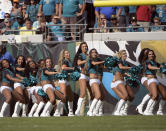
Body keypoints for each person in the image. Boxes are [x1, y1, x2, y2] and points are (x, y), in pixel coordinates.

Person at [111, 50, 134, 116]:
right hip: (116, 82)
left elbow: (122, 72)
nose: (125, 55)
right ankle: (117, 111)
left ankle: (124, 111)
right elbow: (120, 67)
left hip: (123, 81)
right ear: (120, 55)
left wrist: (129, 74)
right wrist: (131, 67)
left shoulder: (125, 63)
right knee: (125, 96)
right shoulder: (118, 61)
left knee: (131, 97)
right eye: (123, 54)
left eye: (126, 53)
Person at [143, 50, 166, 115]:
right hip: (151, 80)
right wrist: (159, 68)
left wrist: (163, 67)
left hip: (156, 79)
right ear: (147, 55)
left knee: (164, 95)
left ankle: (159, 111)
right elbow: (150, 67)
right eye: (150, 54)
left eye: (152, 54)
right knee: (155, 95)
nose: (151, 55)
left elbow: (161, 66)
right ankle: (147, 111)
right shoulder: (147, 61)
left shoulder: (155, 62)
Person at [73, 42, 93, 116]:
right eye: (83, 46)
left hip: (89, 76)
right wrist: (86, 60)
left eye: (86, 46)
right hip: (83, 75)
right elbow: (78, 63)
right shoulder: (80, 55)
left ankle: (91, 111)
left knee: (92, 94)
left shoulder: (88, 55)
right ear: (81, 48)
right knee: (83, 93)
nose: (85, 47)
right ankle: (77, 111)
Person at [54, 50, 74, 116]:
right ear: (63, 55)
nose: (68, 54)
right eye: (66, 53)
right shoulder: (65, 60)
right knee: (63, 97)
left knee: (71, 96)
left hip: (66, 80)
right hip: (62, 80)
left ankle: (71, 112)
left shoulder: (68, 61)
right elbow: (63, 67)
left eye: (68, 53)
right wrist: (73, 68)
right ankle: (57, 112)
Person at [85, 48, 105, 116]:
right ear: (90, 54)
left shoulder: (98, 60)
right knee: (98, 95)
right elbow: (94, 63)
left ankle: (96, 111)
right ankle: (90, 111)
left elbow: (104, 67)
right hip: (93, 80)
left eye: (95, 52)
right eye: (93, 52)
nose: (94, 53)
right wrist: (102, 61)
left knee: (103, 96)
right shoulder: (90, 60)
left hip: (98, 80)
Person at [136, 48, 151, 114]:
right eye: (146, 53)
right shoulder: (144, 61)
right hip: (145, 78)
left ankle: (149, 110)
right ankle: (140, 106)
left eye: (149, 52)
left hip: (151, 78)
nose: (148, 54)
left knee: (155, 94)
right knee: (152, 92)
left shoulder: (151, 60)